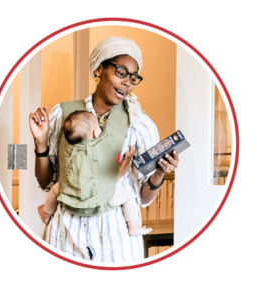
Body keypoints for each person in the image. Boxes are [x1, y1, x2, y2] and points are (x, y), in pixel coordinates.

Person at [29, 36, 179, 264]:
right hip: (65, 232)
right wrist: (41, 143)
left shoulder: (139, 125)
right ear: (99, 68)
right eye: (121, 72)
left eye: (133, 77)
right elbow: (46, 182)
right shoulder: (63, 114)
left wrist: (160, 172)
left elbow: (143, 196)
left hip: (116, 236)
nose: (128, 82)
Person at [37, 110, 153, 236]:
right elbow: (116, 176)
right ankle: (133, 226)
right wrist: (128, 160)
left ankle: (46, 214)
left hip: (72, 202)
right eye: (98, 127)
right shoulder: (100, 153)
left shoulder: (70, 153)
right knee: (128, 196)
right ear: (95, 133)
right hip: (98, 201)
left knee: (55, 190)